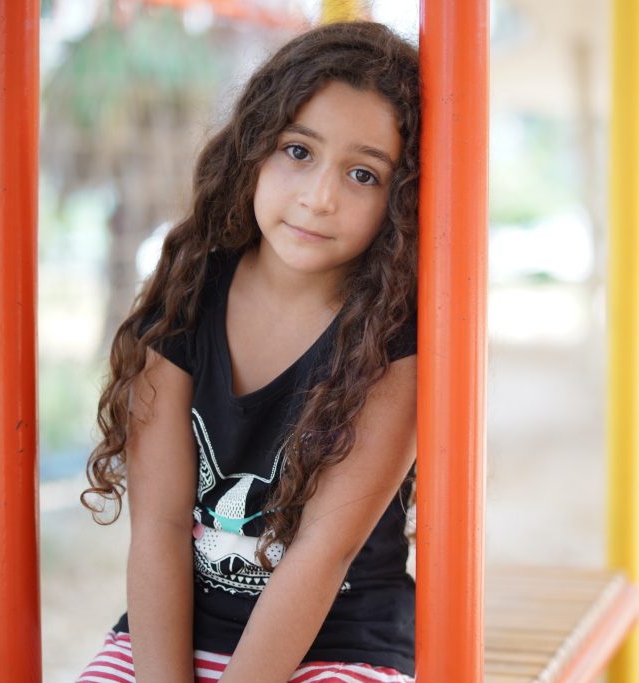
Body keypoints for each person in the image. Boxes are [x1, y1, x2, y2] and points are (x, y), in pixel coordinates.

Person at [76, 21, 420, 683]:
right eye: (298, 151)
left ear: (399, 199)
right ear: (255, 148)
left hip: (341, 641)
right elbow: (160, 525)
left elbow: (323, 549)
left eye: (362, 173)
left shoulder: (394, 337)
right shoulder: (185, 295)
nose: (319, 197)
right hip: (182, 631)